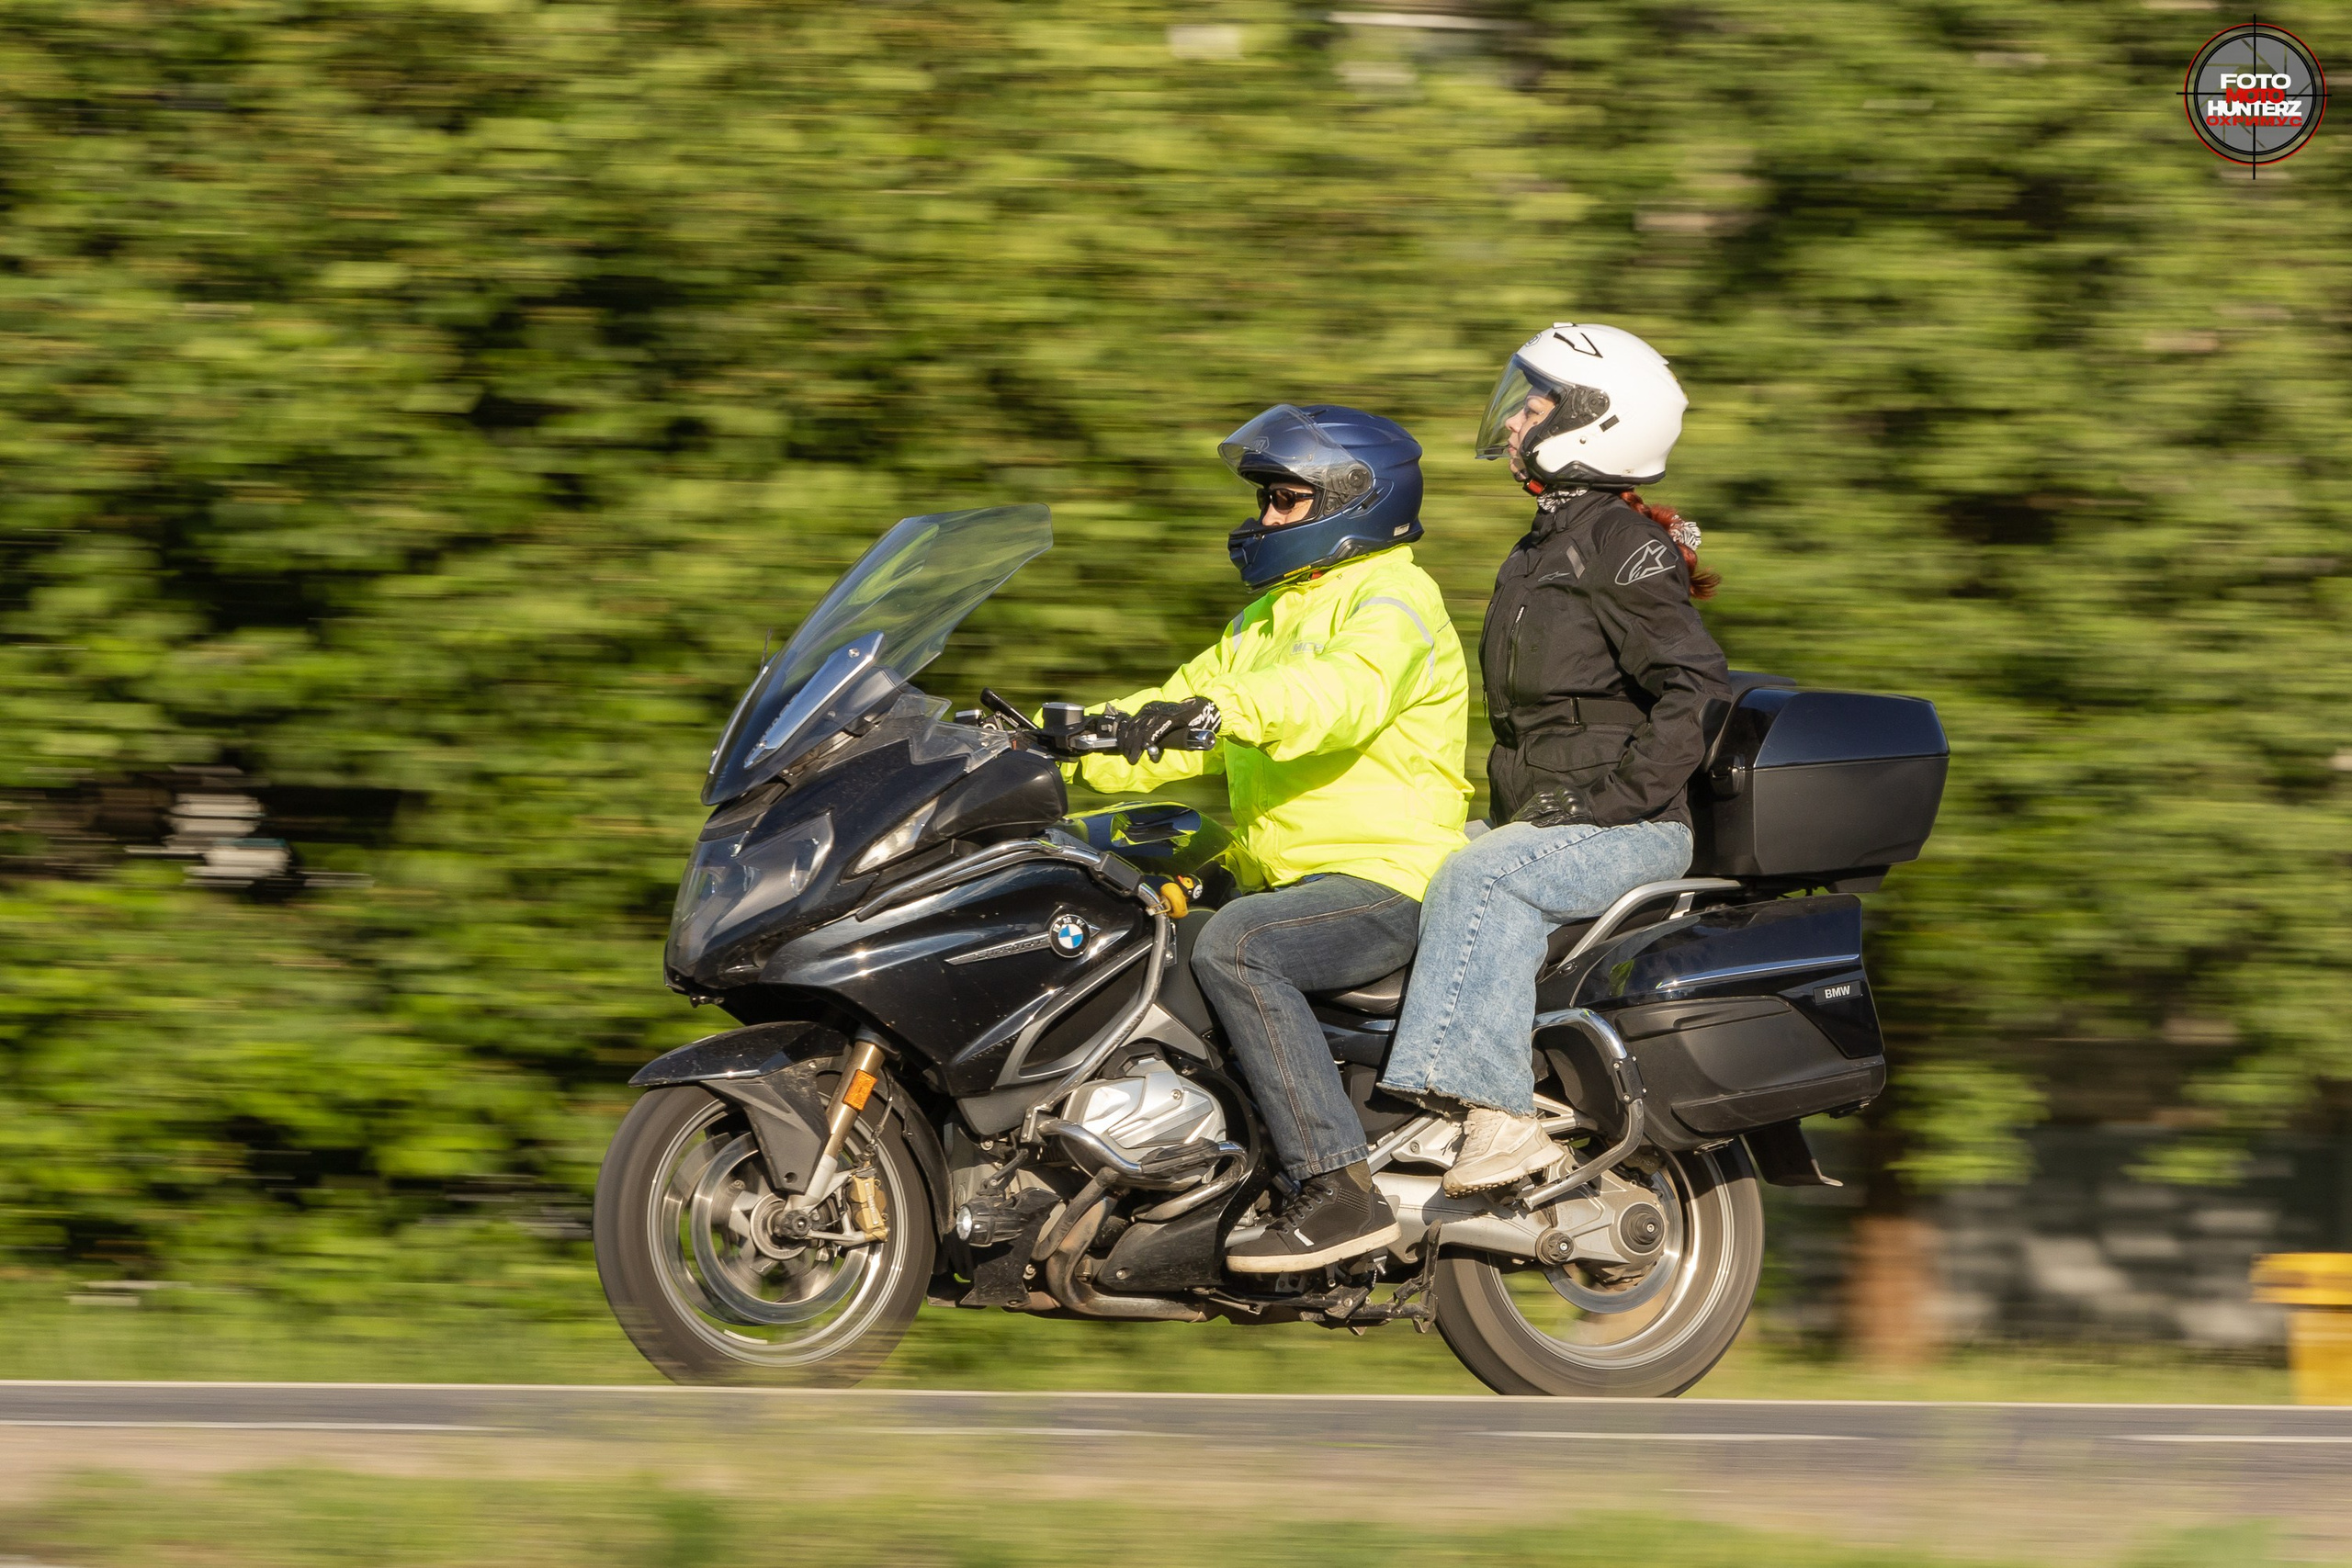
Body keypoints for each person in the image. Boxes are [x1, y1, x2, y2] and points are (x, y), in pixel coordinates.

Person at [1069, 404, 1470, 1271]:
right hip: (1280, 870)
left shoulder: (1395, 596)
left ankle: (1339, 1188)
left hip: (1385, 879)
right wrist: (1045, 746)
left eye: (1285, 500)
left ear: (1352, 501)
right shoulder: (1265, 620)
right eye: (1266, 502)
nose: (1265, 520)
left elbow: (1339, 695)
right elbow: (1167, 713)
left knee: (1238, 949)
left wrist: (1228, 710)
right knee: (1105, 890)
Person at [1378, 323, 1729, 1195]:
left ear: (1593, 422)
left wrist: (1617, 798)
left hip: (1633, 827)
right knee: (1402, 861)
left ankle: (1498, 1117)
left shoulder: (1619, 543)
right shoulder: (1544, 545)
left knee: (1485, 878)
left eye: (1533, 403)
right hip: (1546, 819)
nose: (1511, 421)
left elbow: (1699, 687)